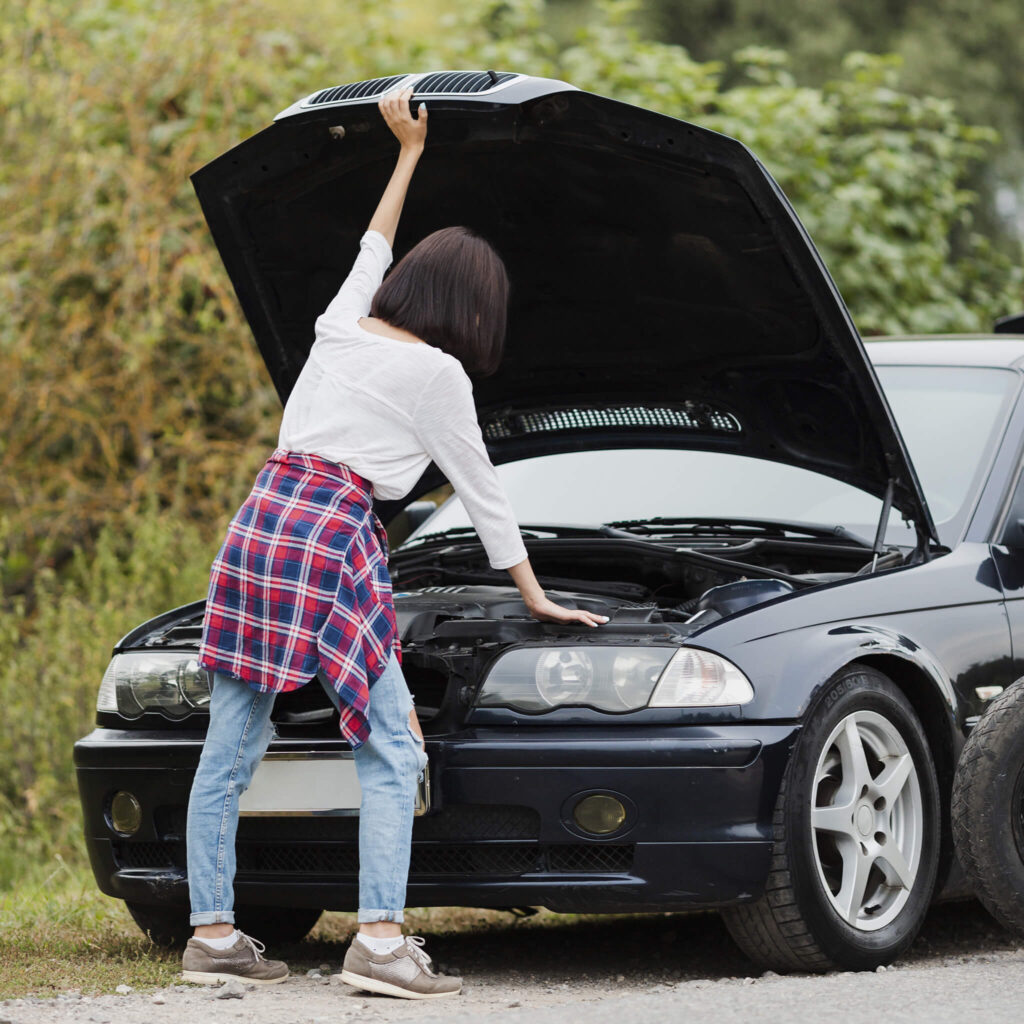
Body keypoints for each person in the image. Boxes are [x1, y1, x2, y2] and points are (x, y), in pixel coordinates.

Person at [180, 87, 608, 999]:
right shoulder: (438, 372)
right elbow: (484, 487)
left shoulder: (343, 324)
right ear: (474, 309)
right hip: (331, 533)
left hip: (261, 520)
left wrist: (407, 150)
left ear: (414, 282)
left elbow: (373, 244)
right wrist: (532, 592)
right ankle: (379, 942)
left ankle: (212, 932)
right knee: (392, 747)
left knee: (230, 745)